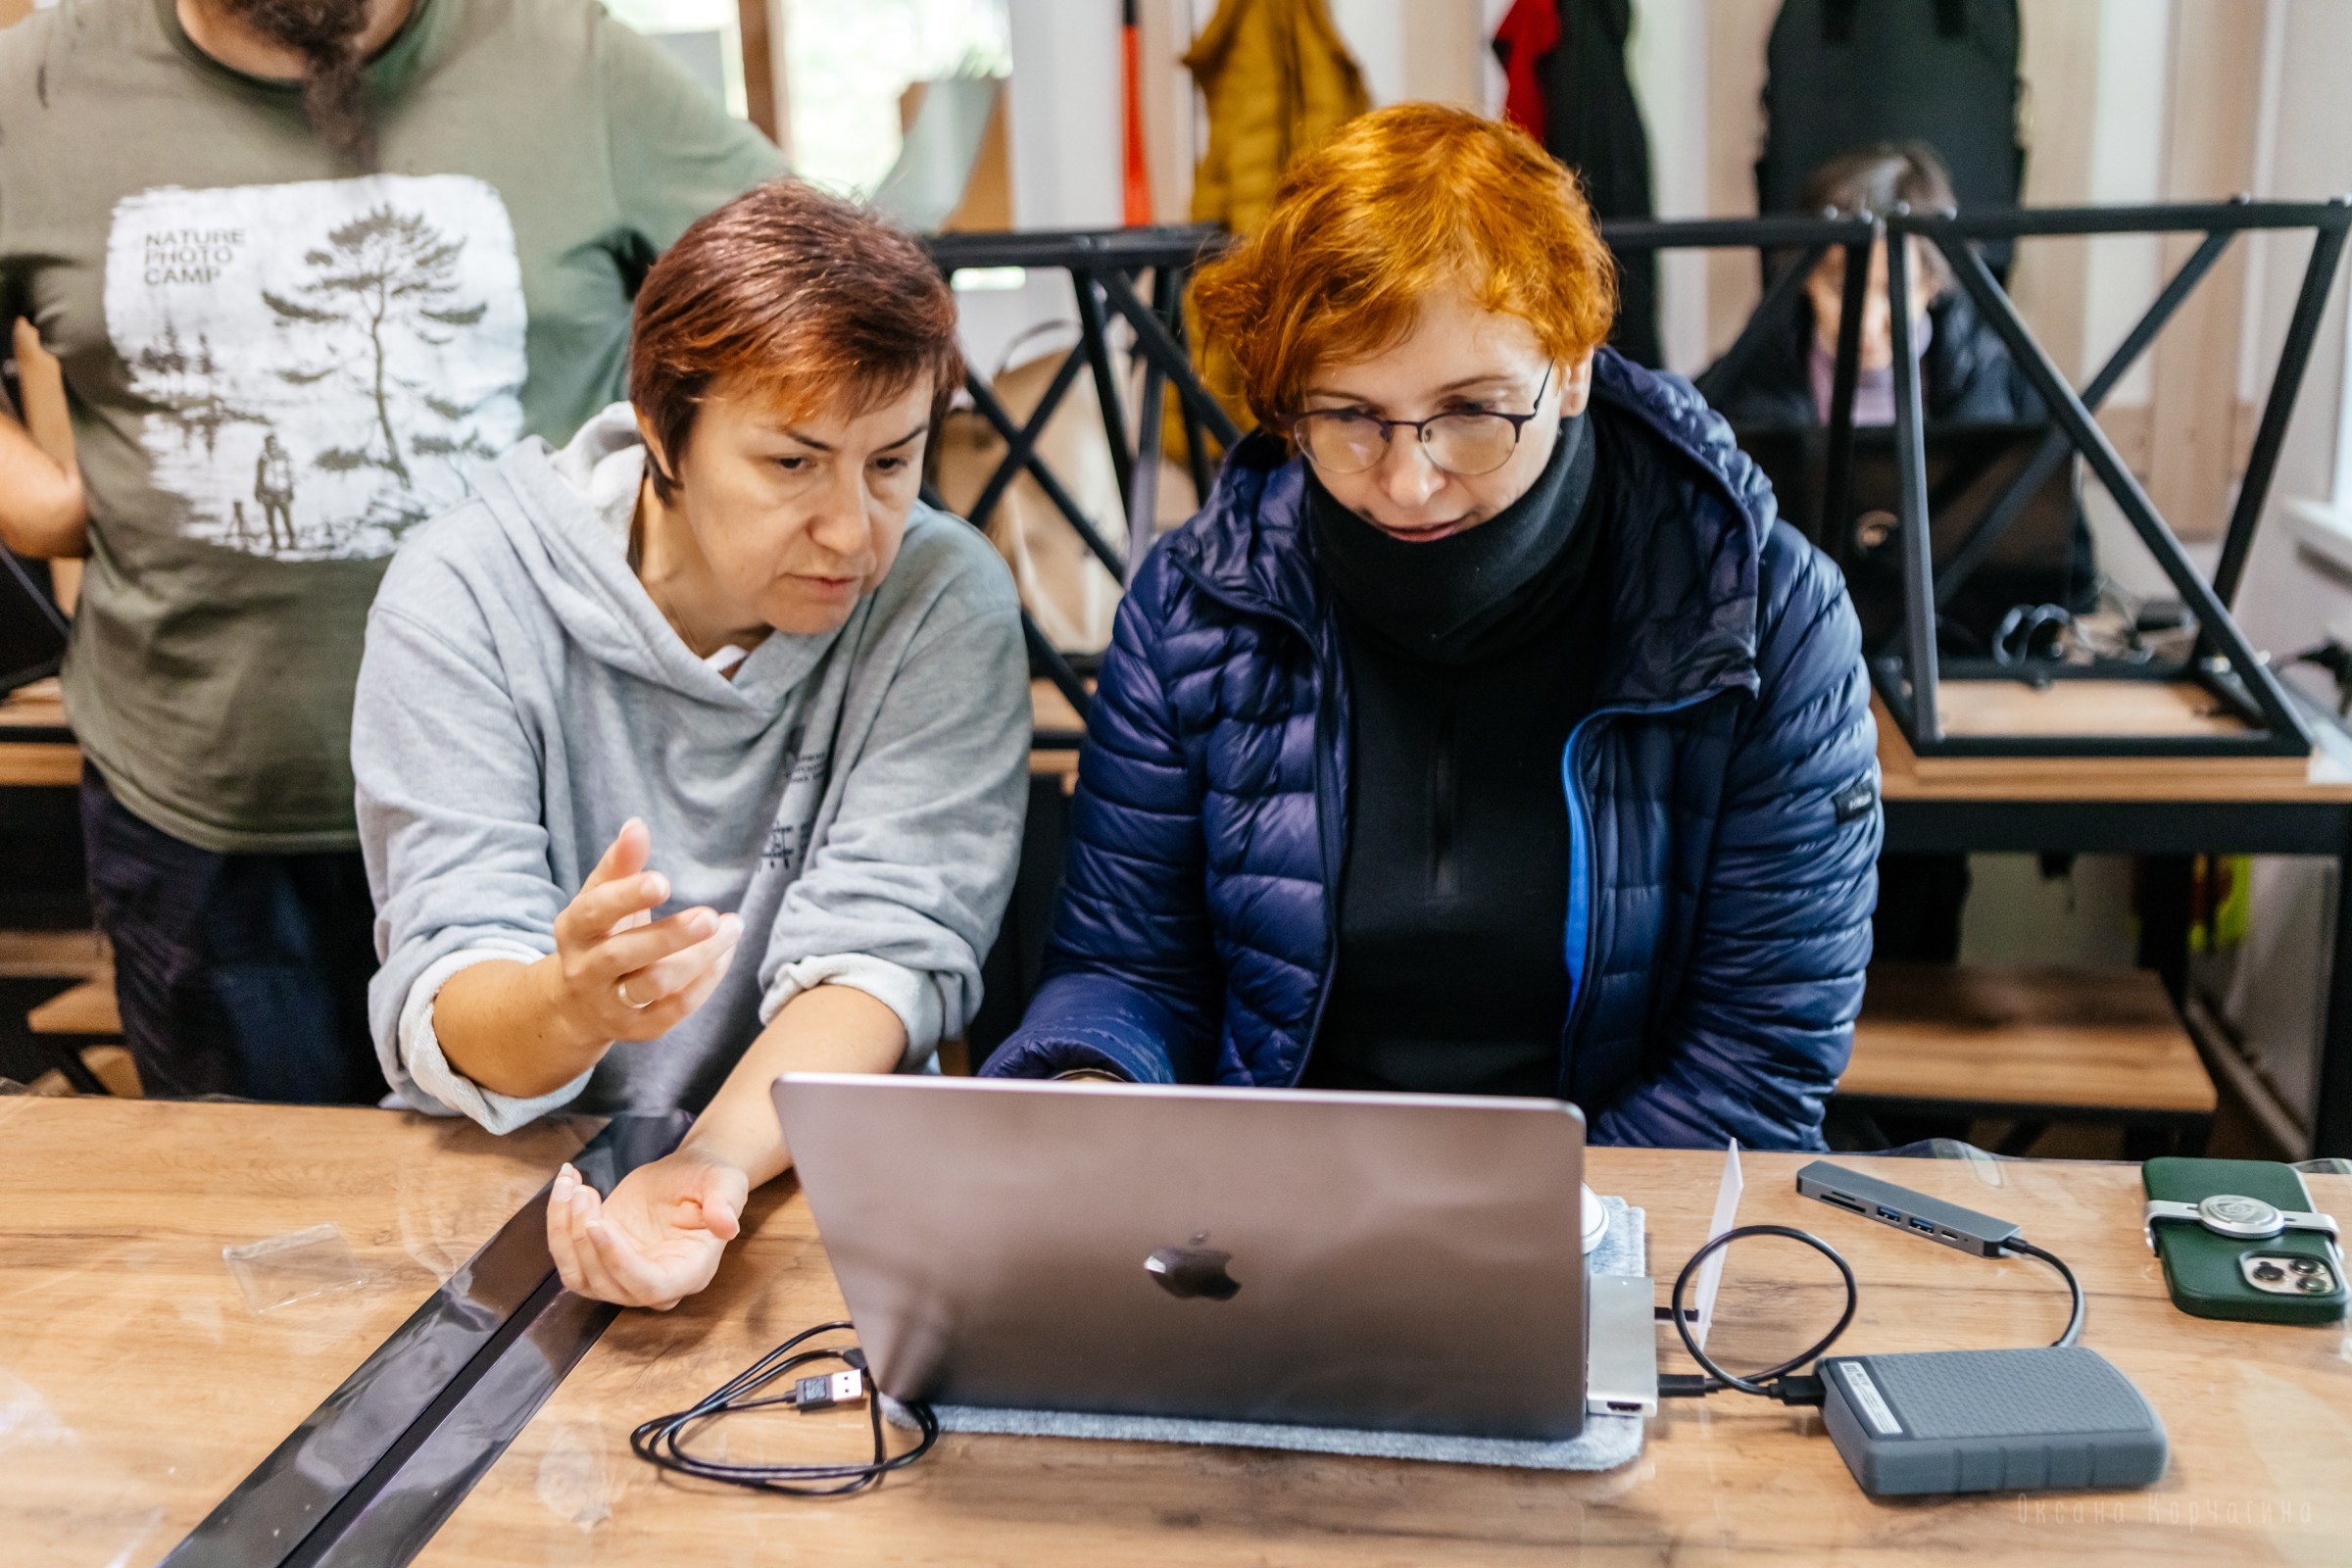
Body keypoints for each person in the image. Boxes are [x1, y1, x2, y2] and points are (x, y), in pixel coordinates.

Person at [982, 104, 1881, 1151]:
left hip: (1620, 1218)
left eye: (1473, 410)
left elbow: (1753, 1062)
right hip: (1282, 1215)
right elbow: (1130, 967)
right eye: (1350, 415)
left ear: (1575, 365)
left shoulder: (1767, 610)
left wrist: (1532, 1234)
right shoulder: (1194, 604)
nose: (1408, 482)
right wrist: (1096, 1079)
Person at [0, 0, 785, 1102]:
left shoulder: (574, 60)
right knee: (268, 1245)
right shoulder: (33, 83)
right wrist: (37, 507)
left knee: (553, 1224)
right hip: (212, 818)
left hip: (542, 807)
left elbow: (822, 306)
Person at [354, 179, 1029, 1310]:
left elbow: (886, 949)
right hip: (502, 1181)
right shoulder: (463, 593)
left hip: (809, 1178)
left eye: (892, 463)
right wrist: (573, 1004)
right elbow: (449, 981)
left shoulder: (939, 597)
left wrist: (703, 1170)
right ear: (667, 431)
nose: (852, 531)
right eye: (792, 462)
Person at [1699, 142, 2041, 427]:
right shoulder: (1739, 383)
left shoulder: (1997, 379)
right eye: (1839, 288)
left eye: (1894, 290)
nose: (1866, 322)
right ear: (1805, 279)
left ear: (1933, 283)